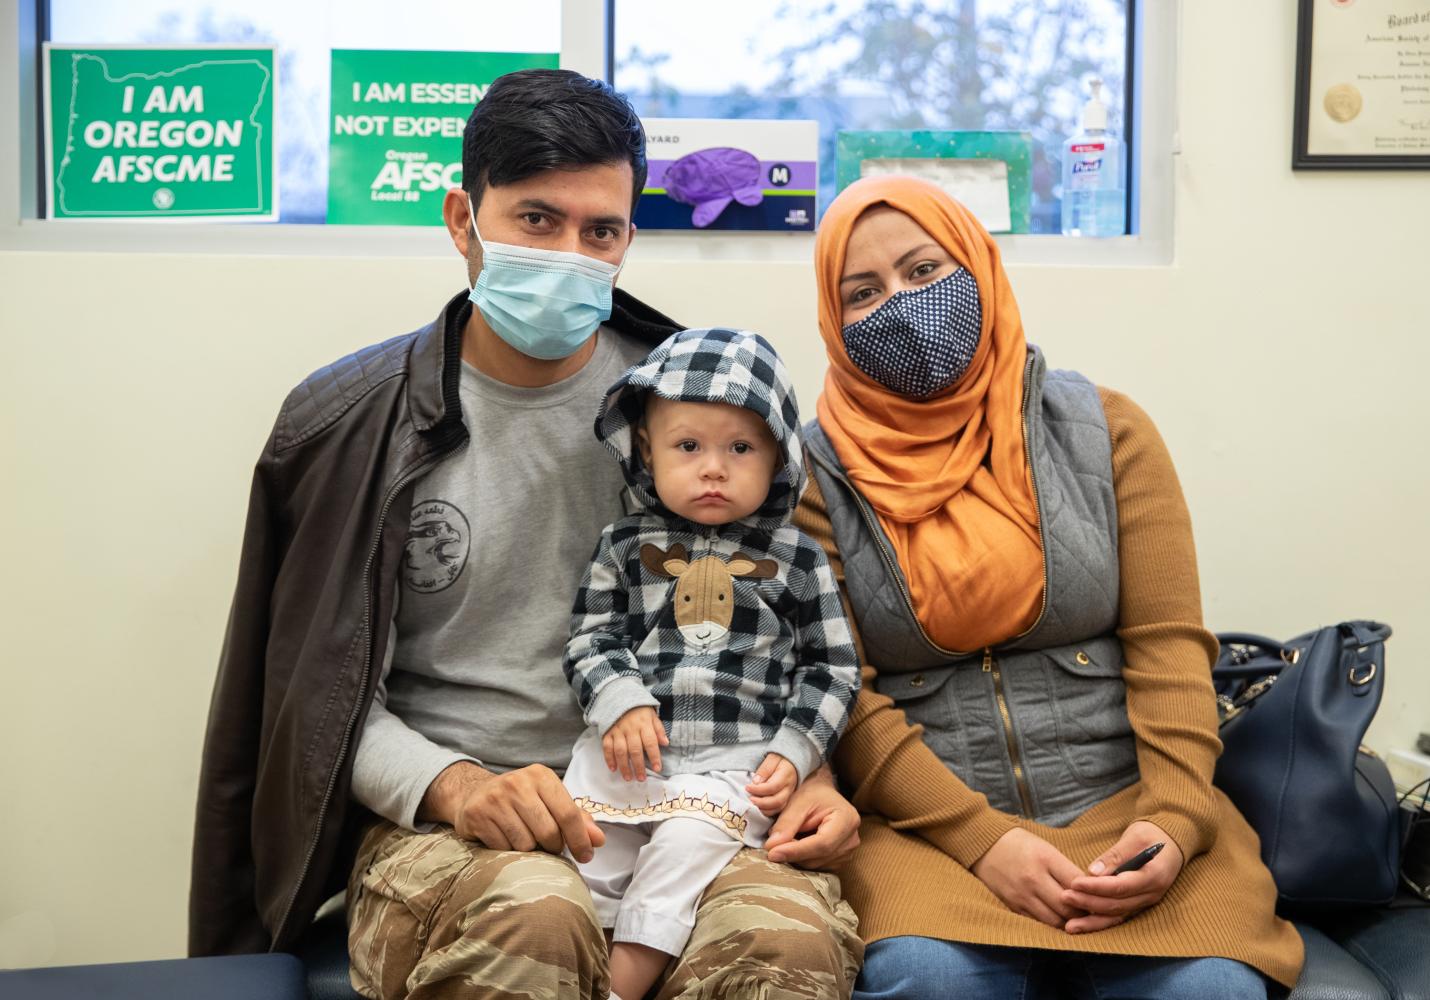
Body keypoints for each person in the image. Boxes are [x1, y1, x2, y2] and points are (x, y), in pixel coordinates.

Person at [188, 68, 864, 999]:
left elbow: (792, 630)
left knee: (787, 945)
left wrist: (810, 773)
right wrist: (458, 786)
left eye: (602, 231)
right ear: (464, 219)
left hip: (698, 798)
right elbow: (315, 701)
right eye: (537, 221)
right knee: (538, 917)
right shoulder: (346, 427)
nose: (571, 254)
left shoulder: (706, 412)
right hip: (452, 825)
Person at [791, 175, 1305, 998]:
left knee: (1211, 989)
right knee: (927, 983)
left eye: (925, 272)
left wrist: (1173, 821)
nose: (900, 305)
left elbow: (1169, 647)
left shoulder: (1107, 430)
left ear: (979, 267)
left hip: (1127, 803)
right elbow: (843, 694)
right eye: (864, 292)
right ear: (833, 317)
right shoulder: (815, 476)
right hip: (929, 833)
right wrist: (983, 839)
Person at [560, 327, 862, 1000]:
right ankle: (581, 966)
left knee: (685, 849)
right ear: (647, 448)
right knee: (587, 855)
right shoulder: (623, 546)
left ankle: (620, 989)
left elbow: (832, 669)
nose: (714, 468)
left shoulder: (797, 560)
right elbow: (590, 638)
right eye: (688, 446)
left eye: (741, 448)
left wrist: (799, 747)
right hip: (629, 757)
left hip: (738, 767)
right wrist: (620, 700)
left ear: (779, 458)